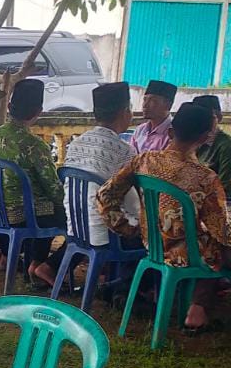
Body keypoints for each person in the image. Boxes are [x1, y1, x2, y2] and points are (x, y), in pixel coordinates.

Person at [99, 101, 231, 334]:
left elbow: (105, 194)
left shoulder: (143, 161)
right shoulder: (206, 178)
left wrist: (126, 228)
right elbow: (220, 230)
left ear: (171, 131)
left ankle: (195, 306)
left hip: (152, 244)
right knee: (222, 249)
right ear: (204, 138)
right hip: (188, 254)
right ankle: (198, 309)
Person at [0, 78, 66, 287]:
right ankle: (40, 264)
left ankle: (22, 260)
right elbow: (54, 190)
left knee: (45, 208)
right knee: (65, 215)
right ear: (38, 111)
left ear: (9, 106)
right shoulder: (34, 145)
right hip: (26, 218)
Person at [62, 81, 138, 247]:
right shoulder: (124, 151)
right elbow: (133, 203)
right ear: (124, 112)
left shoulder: (76, 143)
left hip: (75, 228)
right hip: (106, 235)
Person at [193, 94, 231, 193]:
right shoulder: (191, 140)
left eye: (205, 117)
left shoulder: (226, 146)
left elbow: (224, 187)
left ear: (218, 117)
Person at [130, 79, 177, 154]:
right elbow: (131, 157)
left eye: (153, 101)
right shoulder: (140, 130)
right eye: (144, 100)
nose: (145, 105)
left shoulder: (174, 134)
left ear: (168, 105)